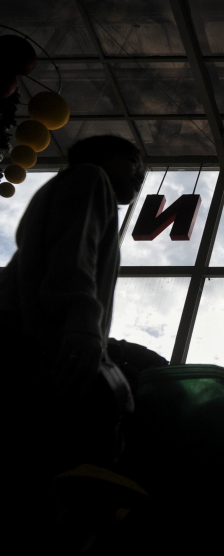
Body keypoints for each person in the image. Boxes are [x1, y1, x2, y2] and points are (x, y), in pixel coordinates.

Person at [0, 135, 144, 551]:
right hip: (38, 342)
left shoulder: (62, 186)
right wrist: (82, 325)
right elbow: (71, 258)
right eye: (133, 163)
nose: (139, 176)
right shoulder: (91, 178)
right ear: (105, 157)